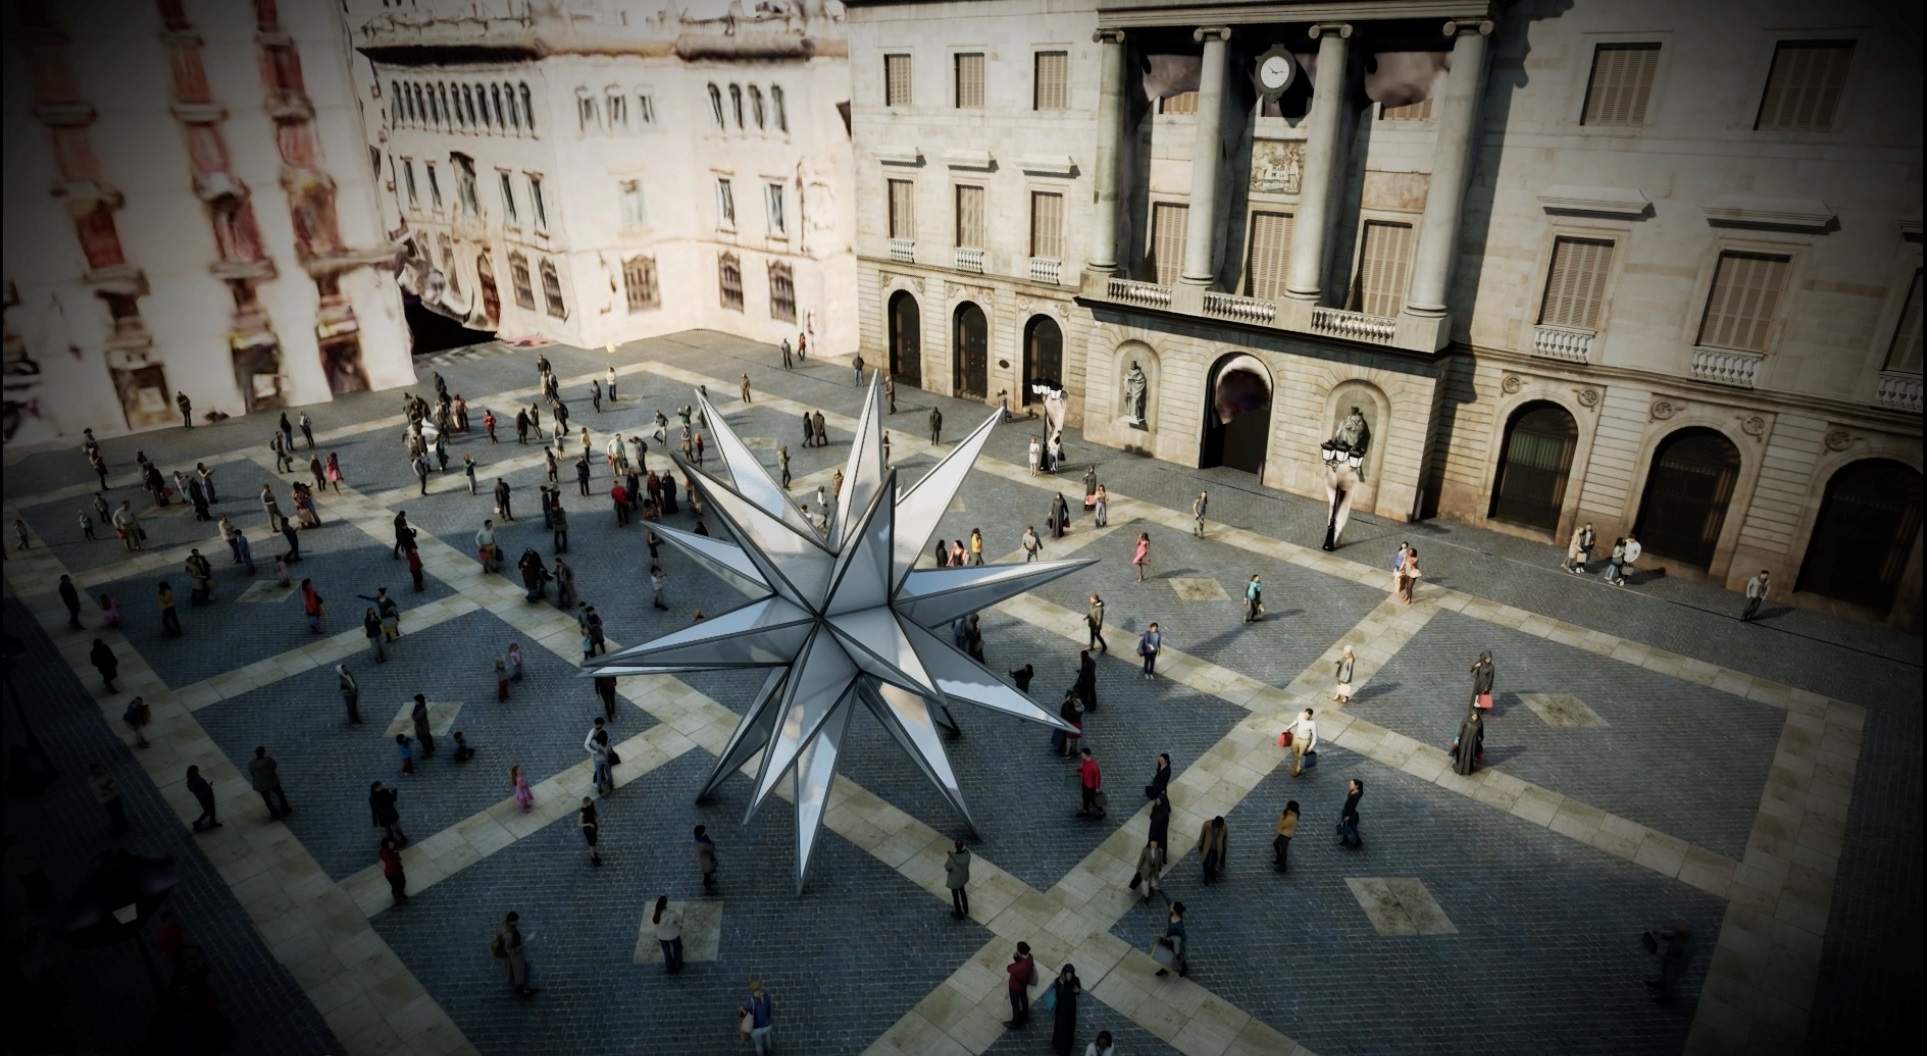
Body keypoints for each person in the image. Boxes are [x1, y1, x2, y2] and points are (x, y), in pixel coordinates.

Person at [1644, 920, 1693, 1004]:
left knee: (1670, 981)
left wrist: (1661, 955)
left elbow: (1679, 959)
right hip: (1670, 958)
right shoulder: (1680, 935)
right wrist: (1659, 933)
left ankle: (1667, 998)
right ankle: (1661, 984)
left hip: (1676, 965)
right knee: (1664, 972)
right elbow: (1671, 935)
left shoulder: (1687, 946)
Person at [494, 912, 537, 997]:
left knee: (522, 969)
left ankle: (522, 987)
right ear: (512, 921)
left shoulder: (505, 926)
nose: (517, 922)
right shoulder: (508, 935)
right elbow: (510, 950)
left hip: (513, 954)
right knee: (521, 970)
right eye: (516, 921)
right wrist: (525, 941)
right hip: (515, 956)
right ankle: (522, 990)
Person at [1047, 963, 1082, 1056]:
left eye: (1070, 974)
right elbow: (1058, 996)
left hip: (1071, 1009)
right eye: (1067, 974)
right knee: (1060, 1028)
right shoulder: (1058, 981)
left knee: (1069, 1029)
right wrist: (1062, 984)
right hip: (1062, 1009)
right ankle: (1058, 1045)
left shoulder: (1075, 980)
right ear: (1064, 973)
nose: (1069, 976)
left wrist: (1077, 990)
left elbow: (1078, 991)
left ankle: (1066, 1048)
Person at [250, 746, 291, 820]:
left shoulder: (252, 763)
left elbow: (252, 773)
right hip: (271, 781)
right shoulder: (268, 760)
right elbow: (274, 766)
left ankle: (274, 814)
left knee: (267, 799)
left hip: (260, 784)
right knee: (280, 794)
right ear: (263, 753)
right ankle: (285, 809)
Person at [1005, 942, 1037, 1028]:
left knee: (1015, 1004)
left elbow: (1009, 968)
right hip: (1024, 984)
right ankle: (1025, 1014)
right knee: (1024, 998)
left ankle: (1016, 1021)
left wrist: (1016, 959)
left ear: (1020, 952)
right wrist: (1017, 958)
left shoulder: (1019, 967)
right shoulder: (1030, 957)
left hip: (1015, 987)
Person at [92, 763, 128, 834]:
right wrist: (108, 787)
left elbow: (113, 784)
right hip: (107, 800)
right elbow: (101, 791)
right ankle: (119, 828)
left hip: (114, 796)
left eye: (99, 768)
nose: (99, 770)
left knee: (119, 812)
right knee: (114, 814)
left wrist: (105, 787)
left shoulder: (106, 774)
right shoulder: (93, 781)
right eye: (97, 769)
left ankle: (124, 826)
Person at [1153, 901, 1187, 977]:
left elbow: (1182, 937)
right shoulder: (1172, 915)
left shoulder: (1178, 926)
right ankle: (1165, 969)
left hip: (1175, 942)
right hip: (1169, 938)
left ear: (1174, 910)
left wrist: (1177, 947)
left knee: (1177, 956)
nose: (1170, 906)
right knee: (1167, 955)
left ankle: (1184, 967)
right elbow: (1167, 900)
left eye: (1172, 906)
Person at [652, 896, 684, 973]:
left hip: (662, 936)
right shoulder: (671, 914)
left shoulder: (657, 915)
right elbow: (679, 921)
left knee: (667, 953)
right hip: (673, 935)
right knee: (677, 948)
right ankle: (677, 965)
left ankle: (669, 968)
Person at [742, 980, 774, 1055]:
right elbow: (748, 1012)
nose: (756, 992)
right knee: (759, 1047)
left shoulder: (766, 997)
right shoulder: (752, 1000)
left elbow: (769, 1010)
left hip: (766, 1026)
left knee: (768, 1046)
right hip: (756, 1028)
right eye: (754, 990)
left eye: (757, 990)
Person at [186, 764, 221, 831]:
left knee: (212, 809)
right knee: (207, 810)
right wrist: (206, 788)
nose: (197, 772)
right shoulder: (190, 781)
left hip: (208, 794)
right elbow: (195, 790)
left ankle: (212, 821)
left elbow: (202, 785)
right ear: (192, 771)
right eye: (196, 770)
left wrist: (208, 786)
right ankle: (197, 823)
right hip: (204, 797)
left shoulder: (196, 776)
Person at [1452, 707, 1485, 776]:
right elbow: (1460, 730)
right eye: (1473, 715)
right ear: (1471, 714)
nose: (1475, 717)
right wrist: (1456, 739)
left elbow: (1481, 733)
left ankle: (1467, 769)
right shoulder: (1466, 719)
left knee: (1469, 755)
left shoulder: (1480, 722)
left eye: (1476, 716)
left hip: (1472, 743)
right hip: (1464, 740)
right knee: (1462, 753)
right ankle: (1460, 768)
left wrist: (1480, 739)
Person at [1131, 838, 1165, 904]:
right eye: (1152, 843)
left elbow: (1160, 860)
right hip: (1146, 871)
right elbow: (1141, 860)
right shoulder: (1145, 850)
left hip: (1154, 870)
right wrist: (1138, 869)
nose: (1153, 845)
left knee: (1154, 881)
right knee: (1145, 885)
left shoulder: (1160, 851)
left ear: (1157, 844)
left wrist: (1159, 867)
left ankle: (1152, 887)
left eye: (1154, 844)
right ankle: (1146, 896)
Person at [1287, 707, 1318, 777]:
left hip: (1304, 741)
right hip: (1296, 737)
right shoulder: (1300, 715)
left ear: (1310, 716)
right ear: (1304, 712)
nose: (1306, 717)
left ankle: (1298, 769)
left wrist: (1311, 746)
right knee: (1294, 751)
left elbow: (1315, 736)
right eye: (1305, 715)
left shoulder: (1312, 723)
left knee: (1300, 756)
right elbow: (1296, 721)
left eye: (1308, 716)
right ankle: (1297, 761)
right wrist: (1289, 727)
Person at [1197, 815, 1229, 884]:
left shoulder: (1224, 827)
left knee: (1214, 862)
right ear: (1216, 823)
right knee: (1205, 861)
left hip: (1217, 848)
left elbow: (1225, 839)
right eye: (1219, 826)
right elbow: (1202, 835)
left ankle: (1212, 872)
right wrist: (1200, 844)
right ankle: (1206, 876)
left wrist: (1224, 848)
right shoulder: (1207, 825)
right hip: (1207, 847)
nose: (1220, 827)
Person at [945, 840, 972, 919]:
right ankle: (966, 909)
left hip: (955, 880)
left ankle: (959, 913)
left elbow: (947, 867)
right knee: (963, 893)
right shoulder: (967, 855)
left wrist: (951, 856)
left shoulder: (952, 859)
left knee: (956, 897)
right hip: (962, 878)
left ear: (956, 847)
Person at [1077, 747, 1104, 818]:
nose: (1081, 755)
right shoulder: (1085, 761)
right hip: (1085, 783)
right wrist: (1079, 770)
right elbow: (1084, 768)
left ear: (1086, 755)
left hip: (1091, 786)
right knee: (1085, 797)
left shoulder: (1093, 765)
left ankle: (1101, 812)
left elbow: (1097, 777)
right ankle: (1085, 810)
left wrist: (1097, 788)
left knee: (1094, 800)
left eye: (1082, 754)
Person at [1337, 778, 1365, 848]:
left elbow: (1352, 806)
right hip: (1346, 810)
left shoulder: (1357, 795)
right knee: (1344, 825)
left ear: (1357, 786)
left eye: (1351, 784)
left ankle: (1358, 841)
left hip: (1349, 812)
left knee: (1351, 826)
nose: (1350, 785)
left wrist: (1348, 815)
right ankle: (1345, 839)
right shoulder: (1353, 791)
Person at [1273, 801, 1300, 872]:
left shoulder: (1291, 817)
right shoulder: (1289, 813)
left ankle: (1283, 867)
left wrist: (1283, 816)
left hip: (1286, 835)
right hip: (1283, 833)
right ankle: (1279, 858)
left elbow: (1283, 824)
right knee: (1275, 844)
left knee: (1284, 850)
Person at [577, 797, 603, 866]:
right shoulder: (582, 812)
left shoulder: (591, 804)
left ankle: (595, 854)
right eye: (589, 802)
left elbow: (593, 813)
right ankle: (593, 858)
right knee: (591, 844)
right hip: (588, 829)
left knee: (594, 842)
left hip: (593, 826)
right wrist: (589, 824)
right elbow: (579, 824)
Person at [410, 694, 437, 758]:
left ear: (419, 701)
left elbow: (416, 718)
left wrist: (413, 716)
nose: (415, 702)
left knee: (423, 740)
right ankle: (431, 747)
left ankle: (428, 753)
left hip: (422, 727)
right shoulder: (419, 706)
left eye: (416, 701)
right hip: (424, 726)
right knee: (428, 736)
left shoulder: (422, 709)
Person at [695, 824, 719, 892]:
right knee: (707, 873)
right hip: (706, 860)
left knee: (707, 873)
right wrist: (711, 845)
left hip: (706, 859)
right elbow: (709, 848)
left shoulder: (700, 839)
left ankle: (708, 881)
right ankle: (707, 884)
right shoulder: (701, 843)